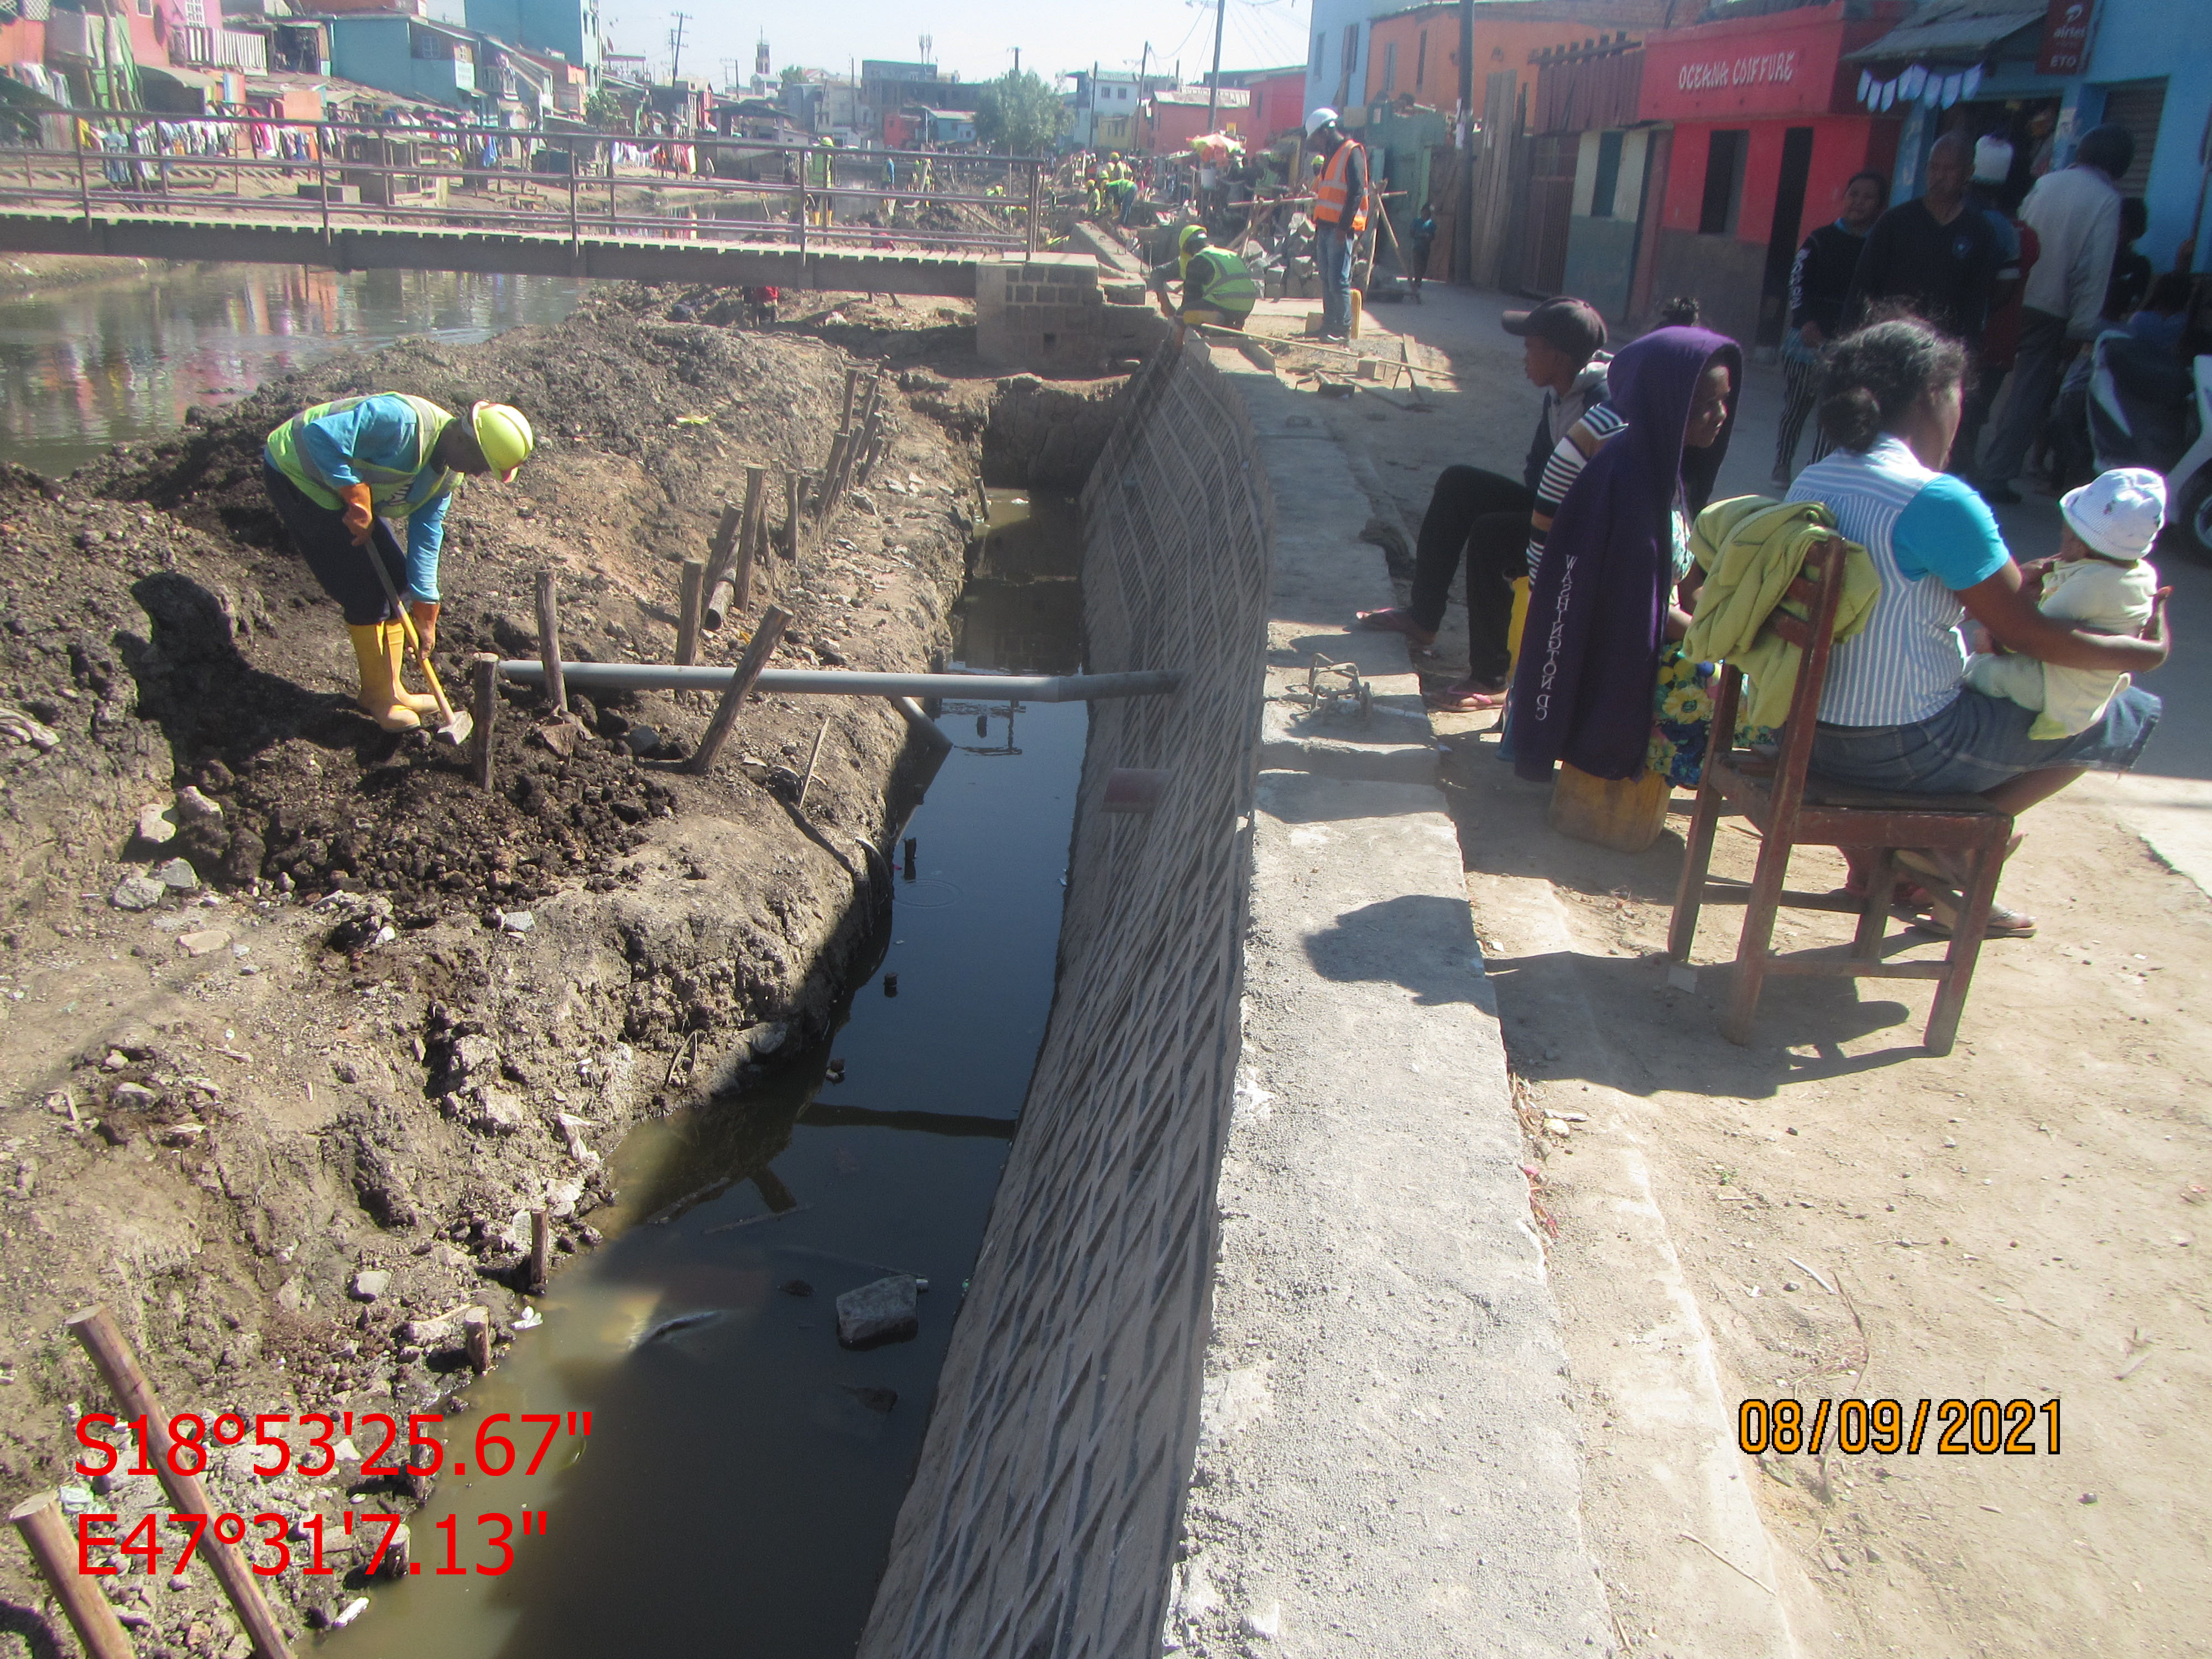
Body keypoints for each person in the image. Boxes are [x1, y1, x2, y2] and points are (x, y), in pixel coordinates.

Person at [1786, 317, 2167, 937]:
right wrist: (2141, 651)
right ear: (1932, 397)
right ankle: (1944, 846)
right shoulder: (1938, 499)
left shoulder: (1818, 476)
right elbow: (2030, 637)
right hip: (1901, 750)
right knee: (2126, 712)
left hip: (1801, 730)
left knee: (1978, 681)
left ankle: (1895, 860)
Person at [1510, 325, 1740, 783]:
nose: (1720, 415)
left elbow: (1682, 577)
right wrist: (1720, 647)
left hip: (1661, 636)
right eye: (1706, 404)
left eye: (1724, 401)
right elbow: (1637, 612)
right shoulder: (1625, 476)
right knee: (1752, 698)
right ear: (1669, 401)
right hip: (1618, 659)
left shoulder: (1661, 463)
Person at [1353, 299, 1611, 707]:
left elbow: (1598, 497)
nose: (1524, 358)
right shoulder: (1560, 391)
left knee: (1492, 536)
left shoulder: (1602, 405)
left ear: (1558, 357)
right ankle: (1423, 619)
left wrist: (1537, 518)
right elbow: (1538, 468)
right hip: (1552, 504)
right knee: (1458, 485)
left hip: (1586, 528)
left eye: (1531, 348)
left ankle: (1490, 678)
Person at [262, 395, 535, 732]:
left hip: (348, 486)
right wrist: (354, 493)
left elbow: (427, 531)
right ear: (465, 438)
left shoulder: (448, 475)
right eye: (483, 464)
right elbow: (320, 436)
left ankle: (394, 690)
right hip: (300, 474)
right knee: (363, 589)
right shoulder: (401, 423)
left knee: (398, 581)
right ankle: (376, 695)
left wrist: (426, 599)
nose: (480, 475)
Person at [1977, 123, 2135, 503]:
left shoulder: (2047, 183)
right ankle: (1996, 473)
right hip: (2054, 308)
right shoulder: (2106, 200)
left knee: (1990, 382)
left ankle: (1964, 461)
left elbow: (2020, 235)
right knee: (2027, 396)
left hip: (2013, 293)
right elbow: (2094, 269)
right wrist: (2081, 326)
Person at [1963, 467, 2162, 739]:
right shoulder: (2141, 573)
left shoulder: (2090, 585)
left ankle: (1962, 689)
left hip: (2056, 690)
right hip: (2092, 680)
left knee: (1988, 670)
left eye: (2065, 537)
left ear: (2079, 547)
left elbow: (2034, 636)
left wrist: (1994, 641)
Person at [1774, 169, 1886, 484]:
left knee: (1834, 412)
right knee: (1796, 408)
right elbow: (1798, 282)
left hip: (1851, 345)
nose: (1859, 203)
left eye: (1868, 197)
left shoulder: (1878, 247)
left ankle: (1815, 472)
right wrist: (1805, 321)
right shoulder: (1819, 240)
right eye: (1854, 195)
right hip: (1807, 343)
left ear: (1880, 206)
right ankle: (1782, 462)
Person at [1844, 132, 1998, 349]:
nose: (1939, 176)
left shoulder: (1979, 232)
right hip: (1888, 343)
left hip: (1940, 351)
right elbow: (1862, 288)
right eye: (1933, 168)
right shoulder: (1895, 222)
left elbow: (1975, 304)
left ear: (1968, 173)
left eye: (1948, 169)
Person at [1953, 137, 2038, 478]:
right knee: (1970, 416)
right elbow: (2007, 288)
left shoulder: (1960, 220)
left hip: (1959, 338)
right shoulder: (2011, 230)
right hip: (1985, 341)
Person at [1304, 107, 1367, 343]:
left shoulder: (1352, 152)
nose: (1317, 144)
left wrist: (1344, 227)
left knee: (1339, 280)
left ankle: (1342, 330)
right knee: (1327, 278)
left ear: (1327, 131)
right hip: (1325, 226)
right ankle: (1330, 324)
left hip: (1340, 229)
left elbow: (1356, 191)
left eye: (1317, 138)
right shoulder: (1331, 156)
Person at [1146, 224, 1258, 330]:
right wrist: (1165, 303)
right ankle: (1231, 324)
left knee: (1184, 314)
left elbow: (1189, 302)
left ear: (1186, 249)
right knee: (1206, 307)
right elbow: (1158, 274)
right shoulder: (1229, 254)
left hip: (1223, 306)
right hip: (1246, 309)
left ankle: (1213, 319)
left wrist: (1177, 344)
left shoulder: (1198, 260)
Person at [1406, 202, 1436, 302]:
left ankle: (1419, 279)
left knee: (1424, 265)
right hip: (1417, 246)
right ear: (1422, 212)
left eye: (1429, 213)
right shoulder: (1416, 222)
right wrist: (1421, 236)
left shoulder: (1432, 224)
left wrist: (1428, 237)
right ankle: (1417, 280)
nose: (1426, 215)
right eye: (1425, 212)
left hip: (1426, 247)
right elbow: (1411, 233)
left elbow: (1433, 236)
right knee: (1417, 264)